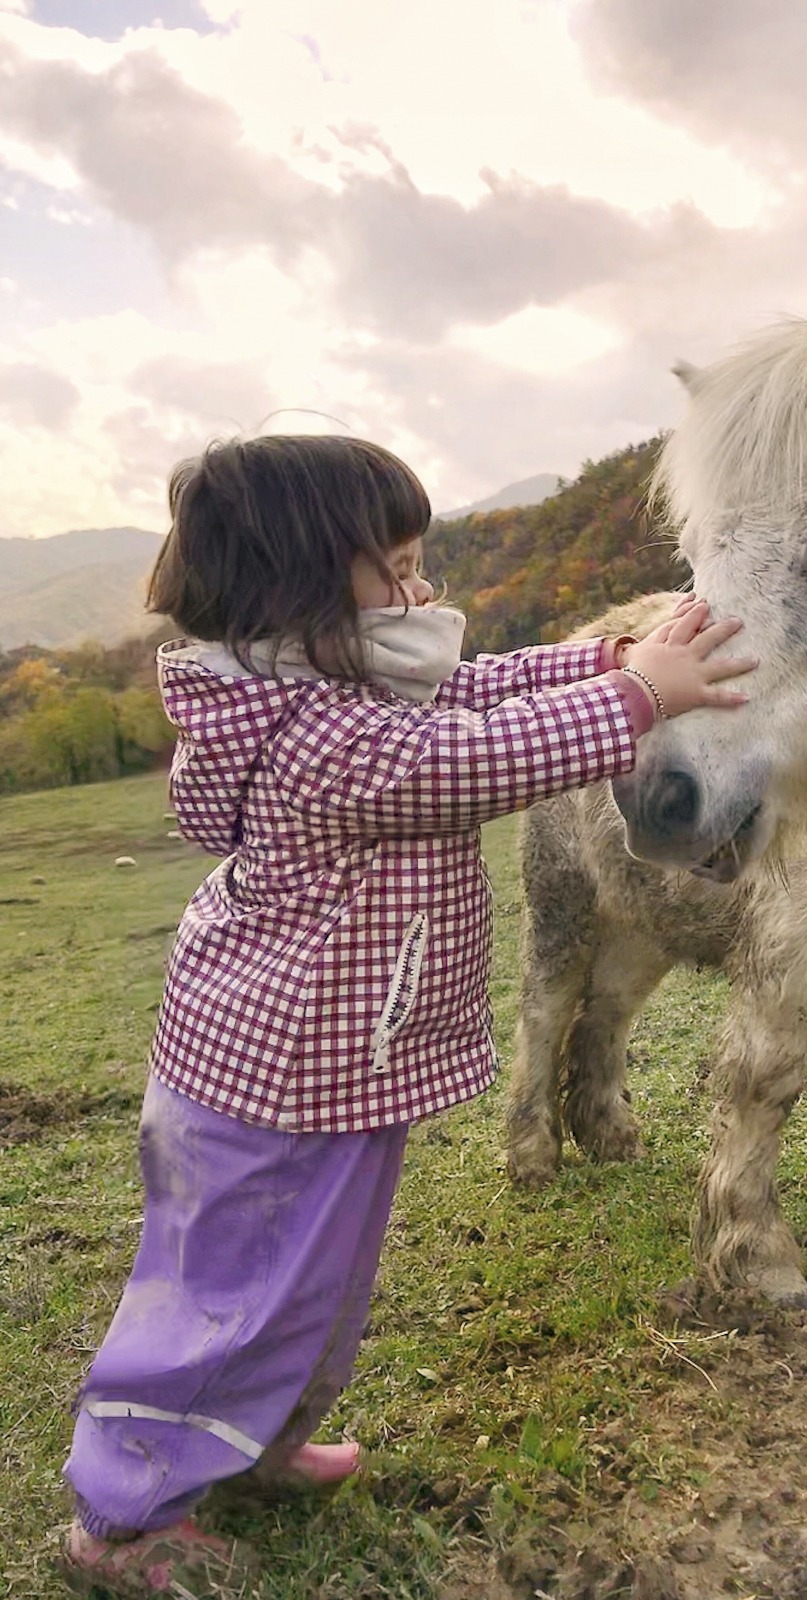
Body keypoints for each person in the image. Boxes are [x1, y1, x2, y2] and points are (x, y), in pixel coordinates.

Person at [60, 433, 754, 1597]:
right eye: (397, 566)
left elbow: (476, 687)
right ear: (303, 590)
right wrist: (634, 698)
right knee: (227, 1294)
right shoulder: (314, 732)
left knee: (308, 1284)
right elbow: (466, 760)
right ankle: (125, 1518)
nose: (423, 592)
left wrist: (608, 657)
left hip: (329, 1072)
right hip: (273, 1082)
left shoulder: (332, 682)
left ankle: (251, 1443)